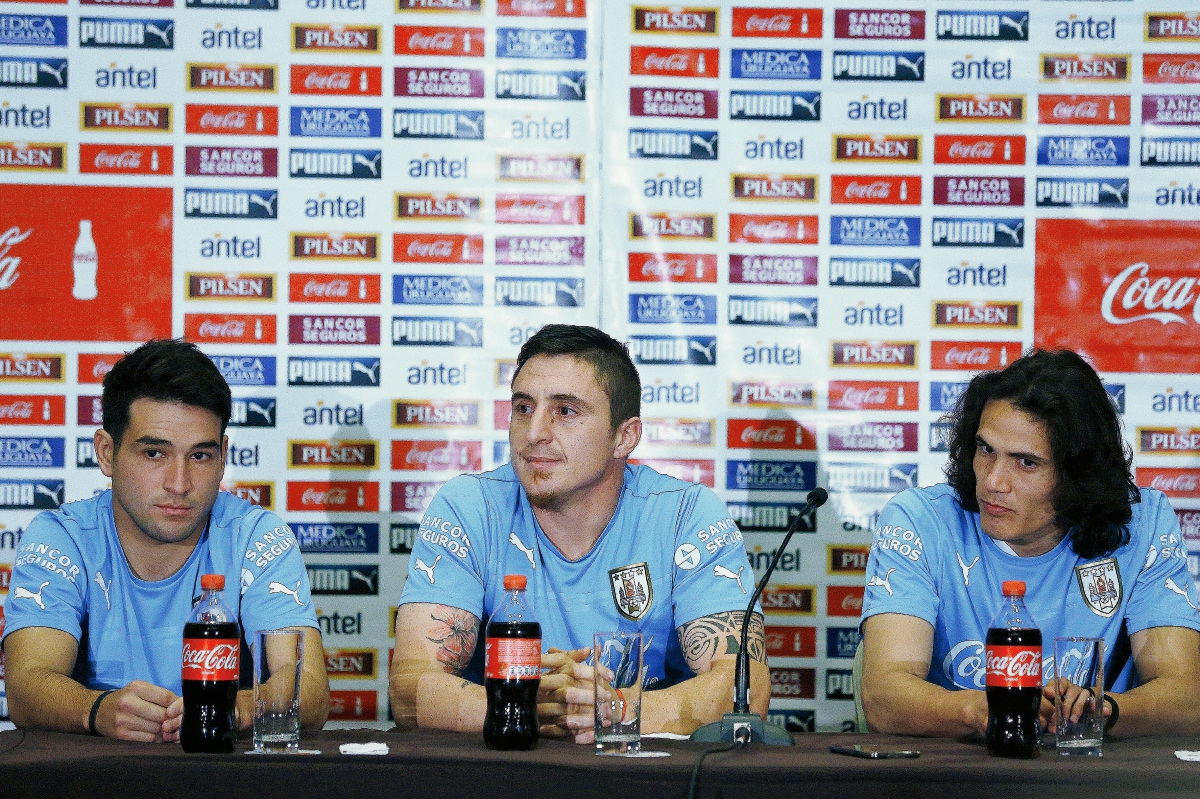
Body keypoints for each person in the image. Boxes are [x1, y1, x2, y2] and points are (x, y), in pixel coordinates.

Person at [390, 324, 767, 742]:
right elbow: (410, 689)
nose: (534, 433)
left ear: (624, 437)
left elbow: (746, 689)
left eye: (565, 411)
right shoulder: (469, 506)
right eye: (524, 408)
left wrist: (615, 708)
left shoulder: (685, 514)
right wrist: (522, 706)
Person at [861, 349, 1200, 738]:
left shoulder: (1143, 525)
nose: (992, 482)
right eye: (986, 449)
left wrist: (1096, 708)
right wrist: (986, 707)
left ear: (1078, 473)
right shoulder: (920, 521)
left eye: (1026, 462)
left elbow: (1187, 700)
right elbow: (883, 699)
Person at [2, 339, 329, 741]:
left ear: (223, 455)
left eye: (200, 456)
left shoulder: (256, 536)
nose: (179, 484)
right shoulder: (62, 536)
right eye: (154, 453)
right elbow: (26, 685)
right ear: (106, 453)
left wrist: (223, 709)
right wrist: (98, 710)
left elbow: (307, 688)